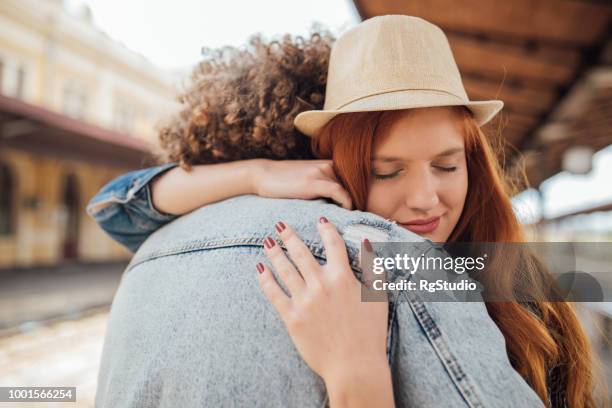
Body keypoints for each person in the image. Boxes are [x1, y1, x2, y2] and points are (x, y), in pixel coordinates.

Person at [89, 16, 598, 407]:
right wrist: (257, 173)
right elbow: (117, 208)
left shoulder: (503, 270)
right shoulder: (388, 261)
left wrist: (357, 374)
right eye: (386, 171)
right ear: (329, 167)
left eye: (447, 166)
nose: (425, 198)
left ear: (475, 162)